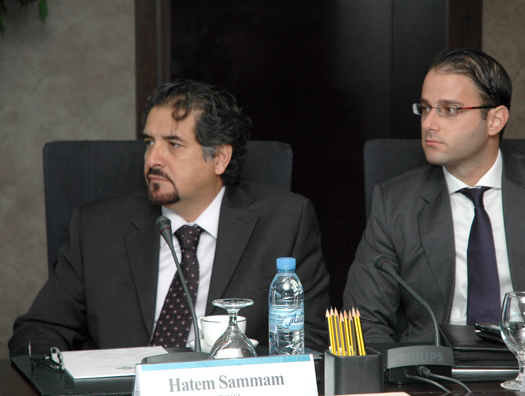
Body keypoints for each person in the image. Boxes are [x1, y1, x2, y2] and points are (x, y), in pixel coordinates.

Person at [10, 80, 330, 356]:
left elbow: (311, 343)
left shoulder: (285, 222)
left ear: (219, 158)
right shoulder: (96, 228)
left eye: (173, 145)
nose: (152, 159)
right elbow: (38, 331)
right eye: (149, 142)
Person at [343, 48, 525, 343]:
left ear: (495, 120)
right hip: (436, 367)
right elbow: (364, 321)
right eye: (425, 108)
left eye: (449, 110)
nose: (428, 123)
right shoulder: (395, 204)